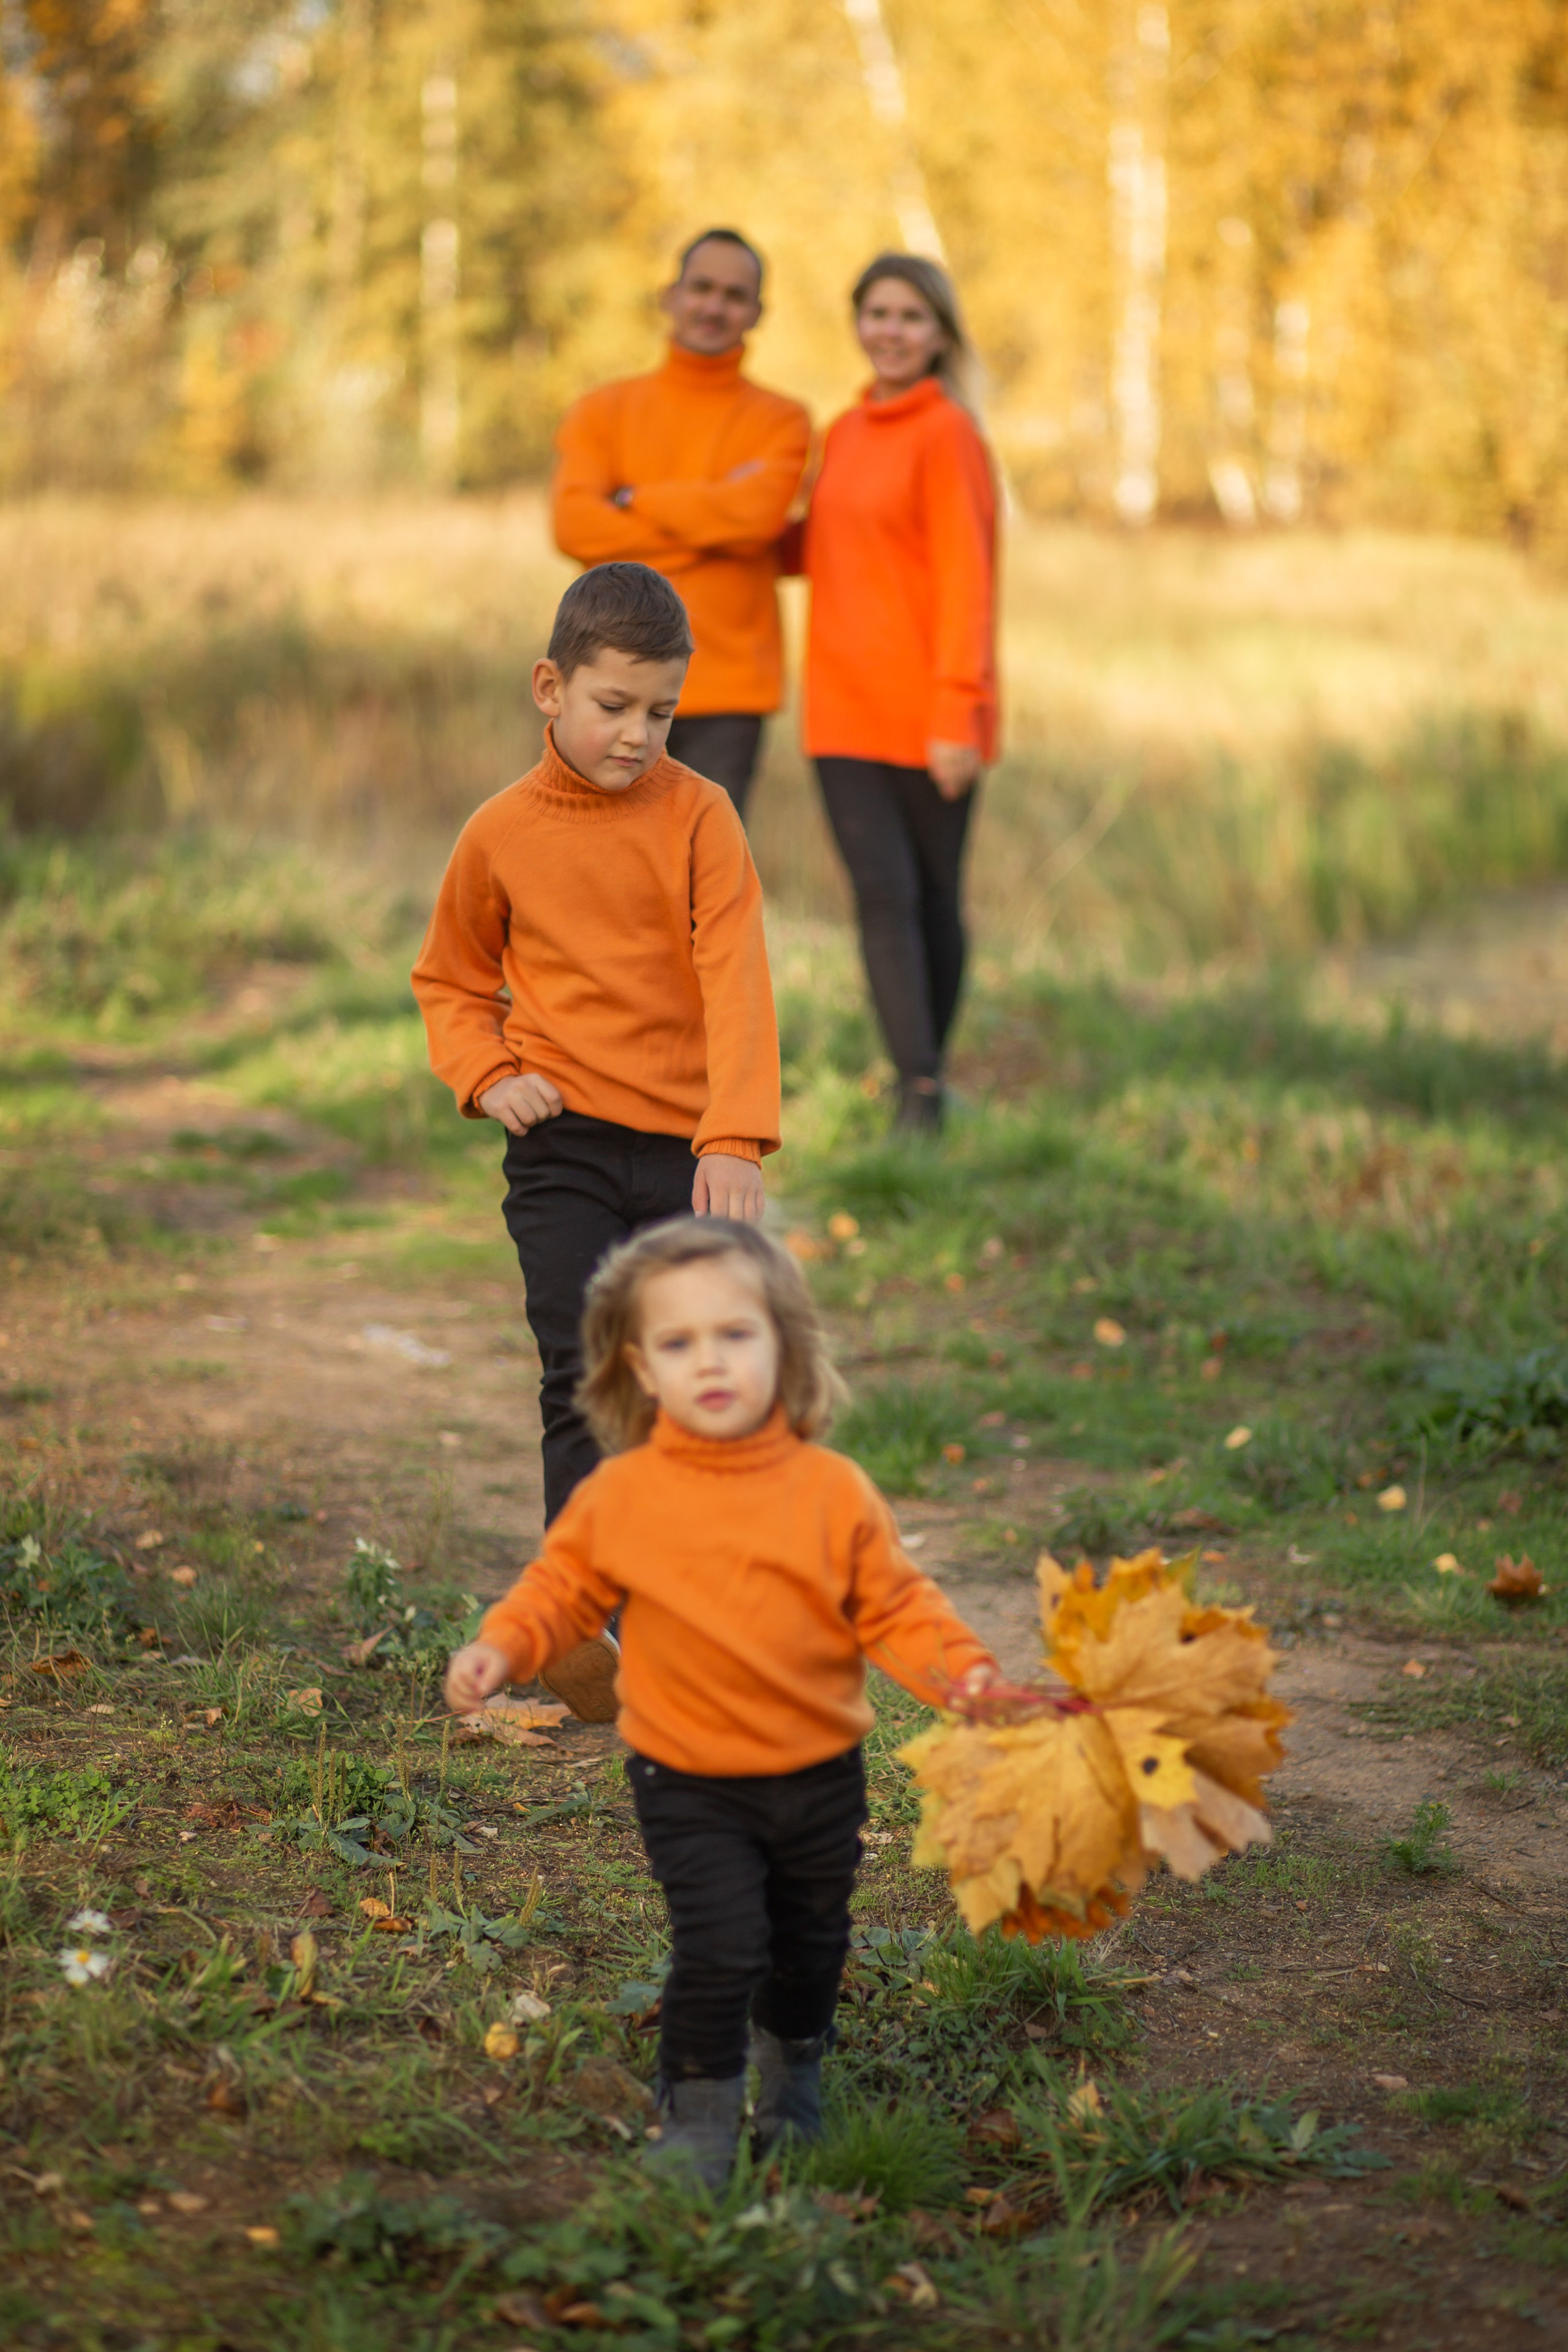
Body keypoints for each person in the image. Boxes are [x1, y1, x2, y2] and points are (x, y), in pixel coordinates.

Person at [443, 1218, 999, 2188]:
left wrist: (970, 1685)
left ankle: (796, 2074)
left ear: (782, 1345)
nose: (710, 1360)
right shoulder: (626, 1494)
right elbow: (560, 1592)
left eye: (734, 1334)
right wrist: (505, 1645)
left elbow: (902, 1610)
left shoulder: (832, 1493)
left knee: (808, 1943)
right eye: (679, 1341)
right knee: (720, 1941)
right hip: (688, 1775)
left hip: (819, 1773)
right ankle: (697, 2107)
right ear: (642, 1369)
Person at [412, 563, 779, 1722]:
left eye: (661, 712)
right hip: (562, 1145)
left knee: (686, 1385)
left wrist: (735, 1136)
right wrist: (489, 1075)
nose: (636, 735)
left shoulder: (701, 817)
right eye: (613, 706)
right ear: (549, 688)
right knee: (579, 1373)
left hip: (681, 1150)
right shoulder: (501, 835)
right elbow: (451, 979)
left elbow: (737, 980)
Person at [799, 254, 999, 1132]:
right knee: (881, 897)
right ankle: (918, 1091)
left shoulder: (948, 433)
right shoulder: (841, 432)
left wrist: (958, 709)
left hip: (929, 715)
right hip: (840, 710)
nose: (891, 330)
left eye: (911, 317)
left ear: (941, 337)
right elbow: (816, 546)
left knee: (931, 899)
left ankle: (927, 1073)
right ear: (857, 323)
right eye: (877, 313)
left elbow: (969, 580)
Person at [551, 230, 811, 823]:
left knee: (698, 888)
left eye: (735, 295)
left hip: (727, 693)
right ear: (670, 296)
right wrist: (714, 518)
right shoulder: (602, 411)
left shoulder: (783, 421)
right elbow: (574, 528)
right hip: (606, 683)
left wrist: (630, 498)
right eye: (702, 288)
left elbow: (755, 521)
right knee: (595, 879)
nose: (715, 307)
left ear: (757, 313)